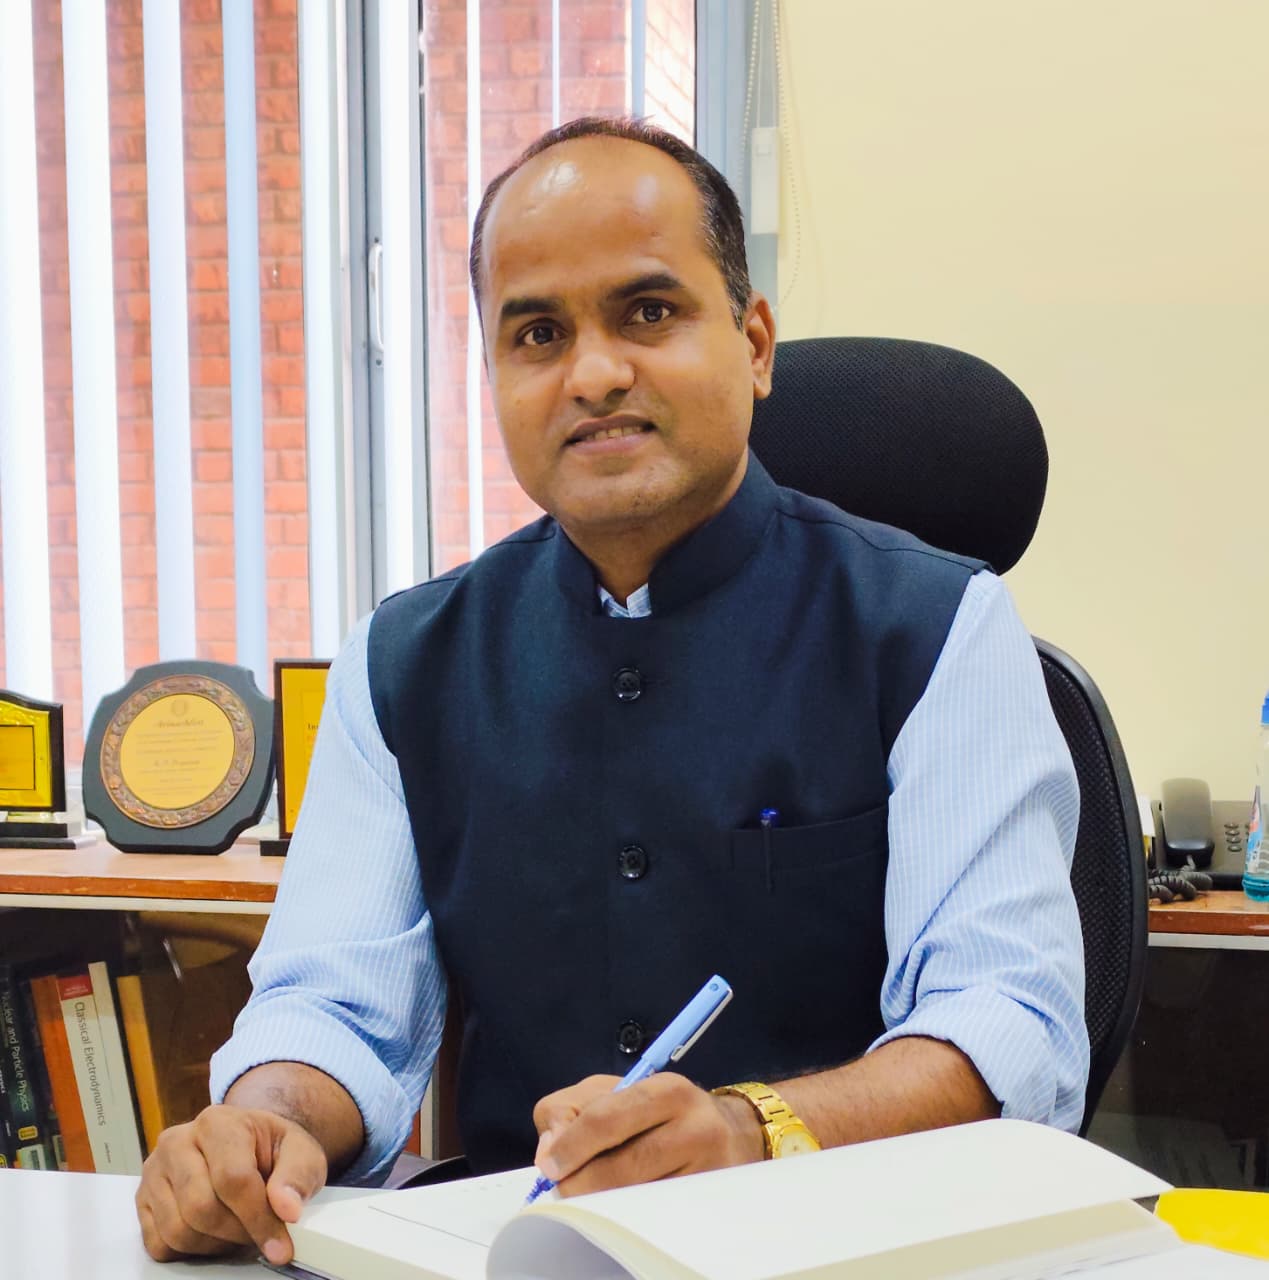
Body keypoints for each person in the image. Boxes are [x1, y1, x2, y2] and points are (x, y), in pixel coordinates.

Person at [136, 117, 1088, 1266]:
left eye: (647, 311)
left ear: (755, 344)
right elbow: (335, 1002)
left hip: (848, 1248)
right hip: (511, 1247)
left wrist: (754, 1128)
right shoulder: (403, 661)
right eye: (538, 333)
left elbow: (1007, 1021)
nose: (593, 374)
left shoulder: (939, 628)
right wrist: (262, 1124)